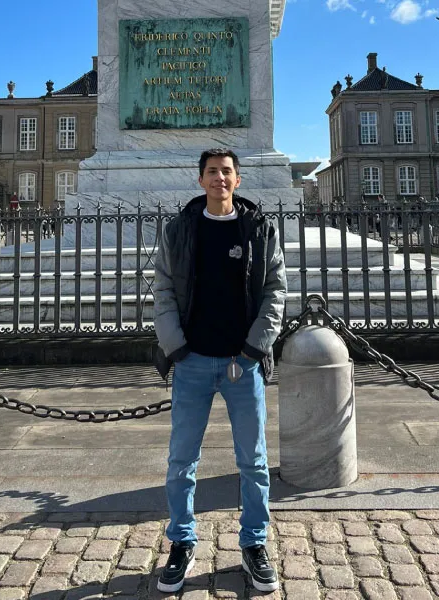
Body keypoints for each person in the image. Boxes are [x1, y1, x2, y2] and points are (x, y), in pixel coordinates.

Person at [153, 148, 287, 594]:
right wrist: (176, 348)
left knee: (254, 462)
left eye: (226, 172)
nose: (219, 179)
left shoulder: (258, 230)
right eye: (212, 172)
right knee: (180, 462)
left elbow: (274, 290)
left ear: (238, 179)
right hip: (192, 362)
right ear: (200, 180)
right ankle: (181, 541)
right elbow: (164, 291)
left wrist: (254, 349)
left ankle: (254, 543)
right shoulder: (180, 230)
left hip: (242, 362)